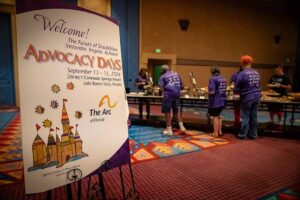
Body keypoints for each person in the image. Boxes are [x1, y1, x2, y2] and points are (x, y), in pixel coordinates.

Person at [235, 55, 261, 139]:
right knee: (254, 116)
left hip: (247, 98)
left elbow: (237, 87)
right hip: (257, 97)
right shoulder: (257, 73)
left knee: (245, 116)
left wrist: (236, 96)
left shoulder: (242, 74)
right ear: (250, 63)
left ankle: (243, 134)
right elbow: (259, 85)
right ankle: (254, 134)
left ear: (242, 63)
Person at [158, 64, 186, 135]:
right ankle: (182, 127)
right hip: (177, 95)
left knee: (167, 112)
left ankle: (169, 130)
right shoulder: (176, 74)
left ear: (162, 70)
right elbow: (182, 85)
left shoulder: (162, 76)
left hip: (168, 95)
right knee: (176, 111)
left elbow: (161, 88)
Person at [208, 66, 227, 137]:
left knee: (215, 117)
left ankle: (215, 133)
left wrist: (207, 92)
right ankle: (220, 131)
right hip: (223, 100)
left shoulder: (213, 79)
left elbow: (212, 91)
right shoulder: (223, 78)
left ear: (212, 72)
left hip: (216, 101)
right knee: (219, 116)